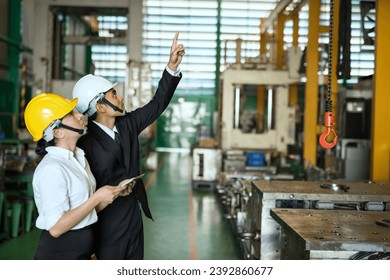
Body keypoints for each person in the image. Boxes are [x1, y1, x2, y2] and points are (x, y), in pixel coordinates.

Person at [72, 32, 185, 259]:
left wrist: (171, 67)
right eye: (114, 94)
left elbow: (158, 103)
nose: (120, 97)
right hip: (106, 226)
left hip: (133, 217)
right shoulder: (84, 144)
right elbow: (82, 199)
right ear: (100, 107)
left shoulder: (128, 124)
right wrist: (88, 247)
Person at [24, 93, 130, 260]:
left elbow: (83, 211)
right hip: (60, 255)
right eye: (71, 114)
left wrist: (110, 195)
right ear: (58, 132)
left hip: (82, 251)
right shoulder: (52, 169)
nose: (80, 115)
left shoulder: (78, 158)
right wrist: (96, 198)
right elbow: (56, 228)